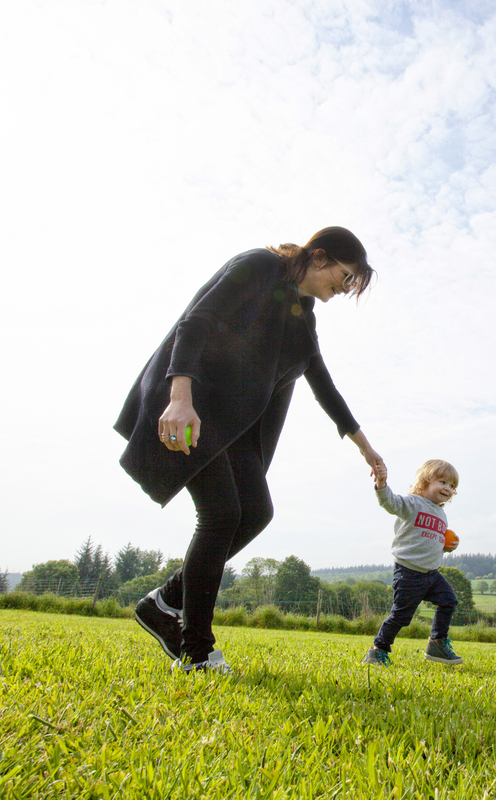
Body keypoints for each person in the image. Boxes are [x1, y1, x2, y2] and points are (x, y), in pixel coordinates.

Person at [115, 227, 385, 672]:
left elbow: (322, 382)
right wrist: (179, 397)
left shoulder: (303, 313)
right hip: (193, 404)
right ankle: (195, 651)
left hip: (231, 428)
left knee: (255, 511)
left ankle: (165, 601)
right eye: (345, 275)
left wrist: (365, 448)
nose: (344, 288)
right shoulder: (259, 266)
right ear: (319, 257)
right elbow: (196, 321)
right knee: (221, 515)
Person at [362, 459, 463, 667]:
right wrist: (381, 484)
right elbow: (390, 503)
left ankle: (437, 643)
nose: (448, 488)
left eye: (452, 486)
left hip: (431, 574)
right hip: (408, 572)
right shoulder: (413, 503)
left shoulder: (442, 514)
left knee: (449, 601)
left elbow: (429, 539)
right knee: (401, 616)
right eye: (442, 482)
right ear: (425, 481)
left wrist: (445, 545)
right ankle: (377, 650)